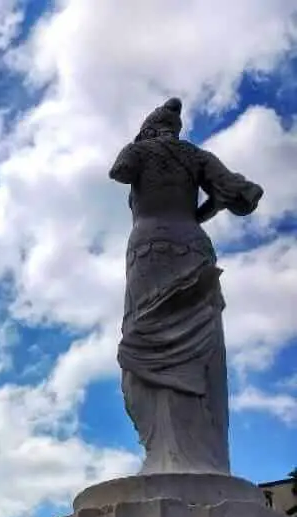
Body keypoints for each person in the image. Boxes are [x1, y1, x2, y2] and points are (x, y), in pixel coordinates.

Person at [110, 97, 263, 476]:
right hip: (191, 243)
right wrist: (200, 212)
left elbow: (119, 171)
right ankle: (191, 456)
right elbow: (244, 195)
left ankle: (171, 456)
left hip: (150, 247)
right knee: (191, 351)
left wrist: (143, 145)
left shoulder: (140, 151)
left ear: (148, 129)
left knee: (144, 341)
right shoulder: (197, 157)